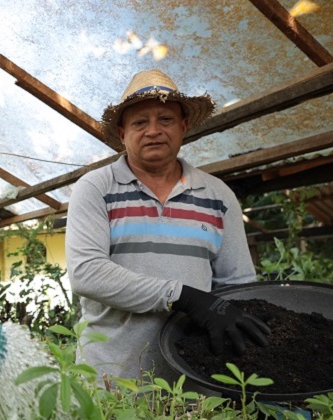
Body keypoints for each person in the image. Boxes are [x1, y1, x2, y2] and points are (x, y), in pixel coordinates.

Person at [65, 69, 270, 387]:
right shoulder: (95, 188)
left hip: (196, 384)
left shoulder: (218, 195)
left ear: (183, 126)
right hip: (111, 382)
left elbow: (239, 284)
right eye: (139, 122)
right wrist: (185, 297)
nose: (153, 131)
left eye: (165, 119)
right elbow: (87, 273)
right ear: (122, 133)